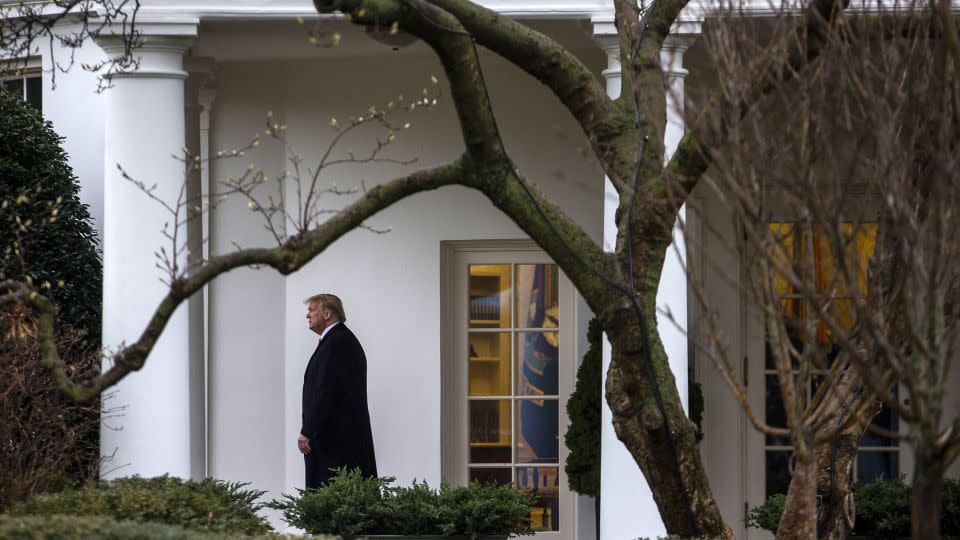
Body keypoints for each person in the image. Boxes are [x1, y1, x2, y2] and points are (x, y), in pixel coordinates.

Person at [299, 293, 377, 488]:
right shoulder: (337, 341)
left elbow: (326, 390)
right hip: (334, 442)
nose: (307, 316)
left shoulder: (338, 343)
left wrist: (308, 430)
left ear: (327, 314)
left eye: (311, 310)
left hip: (336, 445)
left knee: (333, 503)